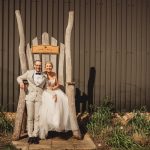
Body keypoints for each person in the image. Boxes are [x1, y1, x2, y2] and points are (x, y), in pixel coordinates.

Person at [38, 61, 71, 139]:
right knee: (51, 103)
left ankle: (58, 124)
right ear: (45, 67)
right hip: (47, 92)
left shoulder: (54, 74)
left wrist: (54, 89)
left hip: (55, 90)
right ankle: (49, 125)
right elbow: (43, 86)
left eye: (50, 66)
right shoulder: (43, 75)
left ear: (52, 67)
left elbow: (58, 84)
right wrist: (52, 92)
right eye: (47, 66)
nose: (48, 67)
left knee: (64, 100)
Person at [17, 60, 47, 144]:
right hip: (30, 97)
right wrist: (21, 83)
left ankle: (35, 135)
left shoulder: (44, 76)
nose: (38, 67)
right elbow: (19, 77)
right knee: (30, 117)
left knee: (37, 117)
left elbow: (46, 87)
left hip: (40, 98)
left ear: (41, 66)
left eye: (40, 65)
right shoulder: (29, 73)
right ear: (34, 66)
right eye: (37, 65)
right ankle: (30, 135)